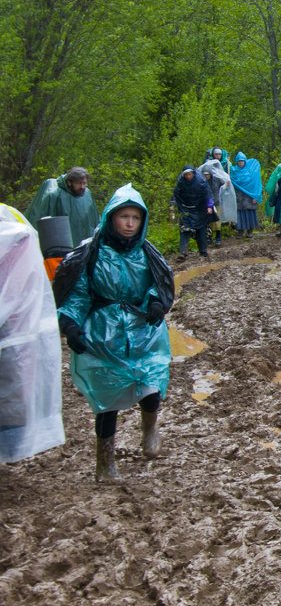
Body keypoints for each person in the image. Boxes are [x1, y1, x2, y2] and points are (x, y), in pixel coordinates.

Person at [56, 184, 173, 482]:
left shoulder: (147, 253)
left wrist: (156, 302)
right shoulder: (92, 252)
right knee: (106, 400)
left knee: (150, 386)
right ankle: (104, 461)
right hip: (103, 332)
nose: (130, 224)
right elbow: (79, 293)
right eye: (124, 217)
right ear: (111, 217)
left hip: (142, 329)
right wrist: (70, 323)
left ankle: (150, 431)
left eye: (135, 217)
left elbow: (158, 284)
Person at [0, 206, 65, 463]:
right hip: (17, 332)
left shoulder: (11, 223)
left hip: (15, 332)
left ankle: (12, 445)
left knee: (14, 395)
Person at [24, 166, 100, 247]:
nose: (82, 187)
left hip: (83, 247)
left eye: (84, 183)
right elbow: (42, 222)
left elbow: (94, 220)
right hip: (60, 247)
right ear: (69, 182)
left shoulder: (87, 195)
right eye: (78, 183)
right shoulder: (54, 195)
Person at [169, 167, 214, 258]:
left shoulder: (201, 181)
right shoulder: (181, 183)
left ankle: (203, 251)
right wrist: (172, 206)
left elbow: (208, 194)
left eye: (190, 174)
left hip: (199, 209)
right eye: (186, 174)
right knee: (184, 229)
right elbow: (175, 195)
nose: (188, 176)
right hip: (186, 209)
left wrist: (209, 206)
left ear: (193, 174)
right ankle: (183, 252)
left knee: (201, 230)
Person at [230, 151, 262, 238]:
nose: (240, 163)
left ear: (245, 161)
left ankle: (250, 231)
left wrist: (255, 196)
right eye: (239, 161)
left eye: (242, 161)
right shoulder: (234, 171)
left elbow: (256, 184)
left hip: (249, 196)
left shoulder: (251, 171)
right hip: (238, 196)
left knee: (250, 213)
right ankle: (240, 231)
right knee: (239, 214)